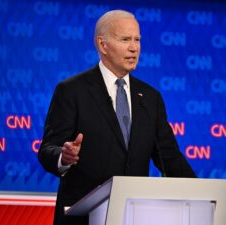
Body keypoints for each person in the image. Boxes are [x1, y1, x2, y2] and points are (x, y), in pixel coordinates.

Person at [38, 9, 196, 225]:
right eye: (125, 39)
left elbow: (169, 158)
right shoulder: (72, 91)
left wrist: (199, 194)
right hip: (82, 218)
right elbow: (47, 149)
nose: (134, 47)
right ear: (102, 45)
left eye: (137, 39)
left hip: (132, 216)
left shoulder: (150, 98)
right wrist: (64, 157)